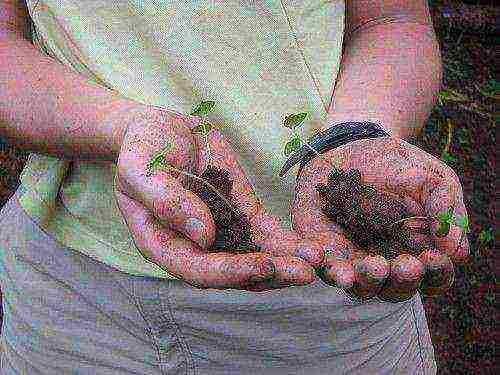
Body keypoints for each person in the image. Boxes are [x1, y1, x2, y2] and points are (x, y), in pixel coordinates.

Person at [0, 1, 469, 374]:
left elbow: (390, 21)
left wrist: (355, 137)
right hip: (77, 302)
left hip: (323, 284)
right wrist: (121, 129)